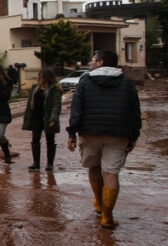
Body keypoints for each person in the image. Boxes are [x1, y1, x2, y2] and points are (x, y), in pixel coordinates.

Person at [67, 50, 142, 229]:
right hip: (118, 134)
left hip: (90, 133)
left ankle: (99, 204)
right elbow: (134, 112)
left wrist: (71, 133)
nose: (90, 62)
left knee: (93, 167)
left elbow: (77, 109)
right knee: (111, 174)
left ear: (100, 62)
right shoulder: (126, 83)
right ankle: (107, 217)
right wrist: (134, 136)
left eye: (92, 60)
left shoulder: (85, 81)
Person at [22, 67, 62, 171]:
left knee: (50, 140)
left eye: (41, 76)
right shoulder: (35, 87)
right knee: (35, 139)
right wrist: (27, 116)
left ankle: (50, 163)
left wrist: (53, 119)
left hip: (48, 118)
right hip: (36, 117)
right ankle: (36, 163)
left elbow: (56, 105)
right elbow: (30, 102)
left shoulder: (55, 89)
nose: (39, 78)